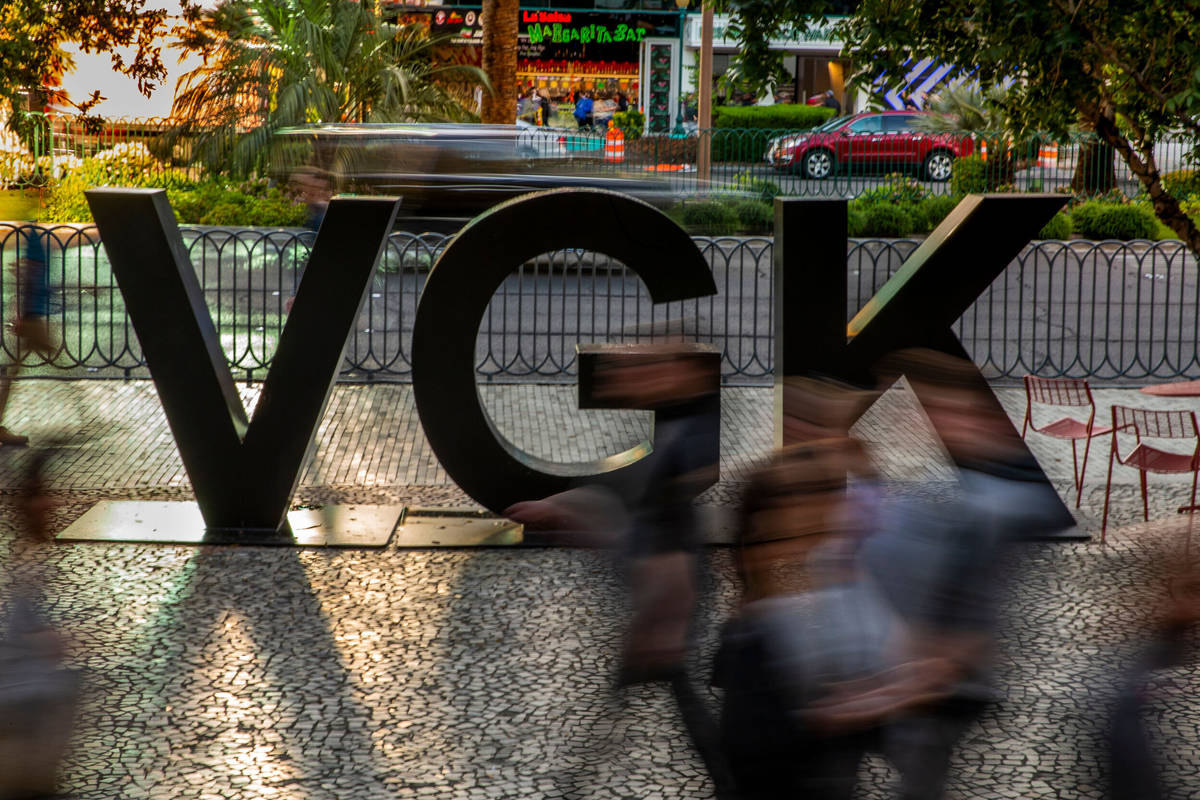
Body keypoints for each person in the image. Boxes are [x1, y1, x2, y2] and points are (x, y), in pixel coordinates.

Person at [0, 223, 63, 446]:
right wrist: (21, 314)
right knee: (59, 362)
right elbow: (31, 277)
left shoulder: (30, 232)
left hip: (31, 316)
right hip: (32, 318)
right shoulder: (32, 234)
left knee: (10, 371)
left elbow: (28, 274)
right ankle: (80, 416)